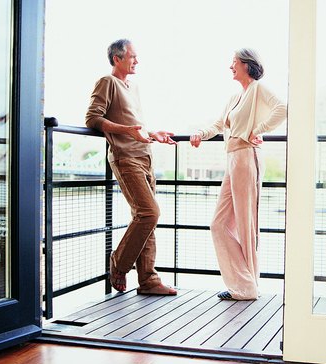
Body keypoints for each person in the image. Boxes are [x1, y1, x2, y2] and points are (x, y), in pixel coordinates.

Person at [190, 49, 286, 300]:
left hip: (247, 157)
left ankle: (247, 287)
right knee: (218, 224)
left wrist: (259, 129)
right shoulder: (235, 97)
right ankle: (243, 284)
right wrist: (200, 133)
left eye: (233, 62)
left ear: (246, 64)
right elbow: (220, 124)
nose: (230, 66)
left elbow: (282, 108)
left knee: (246, 225)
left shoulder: (257, 89)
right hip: (233, 158)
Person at [85, 39, 177, 296]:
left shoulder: (132, 86)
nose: (137, 61)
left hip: (145, 156)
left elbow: (134, 125)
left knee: (146, 219)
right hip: (125, 157)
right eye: (133, 57)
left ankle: (148, 280)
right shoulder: (107, 82)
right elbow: (93, 118)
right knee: (149, 213)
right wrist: (127, 132)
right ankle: (119, 263)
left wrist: (152, 133)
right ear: (117, 58)